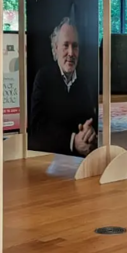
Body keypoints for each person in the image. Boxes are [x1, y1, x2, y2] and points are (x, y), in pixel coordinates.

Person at [29, 17, 97, 156]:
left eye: (75, 46)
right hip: (49, 162)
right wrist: (73, 141)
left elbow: (91, 119)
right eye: (66, 45)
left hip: (83, 161)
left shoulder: (87, 80)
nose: (71, 53)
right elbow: (37, 128)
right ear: (56, 48)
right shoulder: (43, 78)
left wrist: (89, 132)